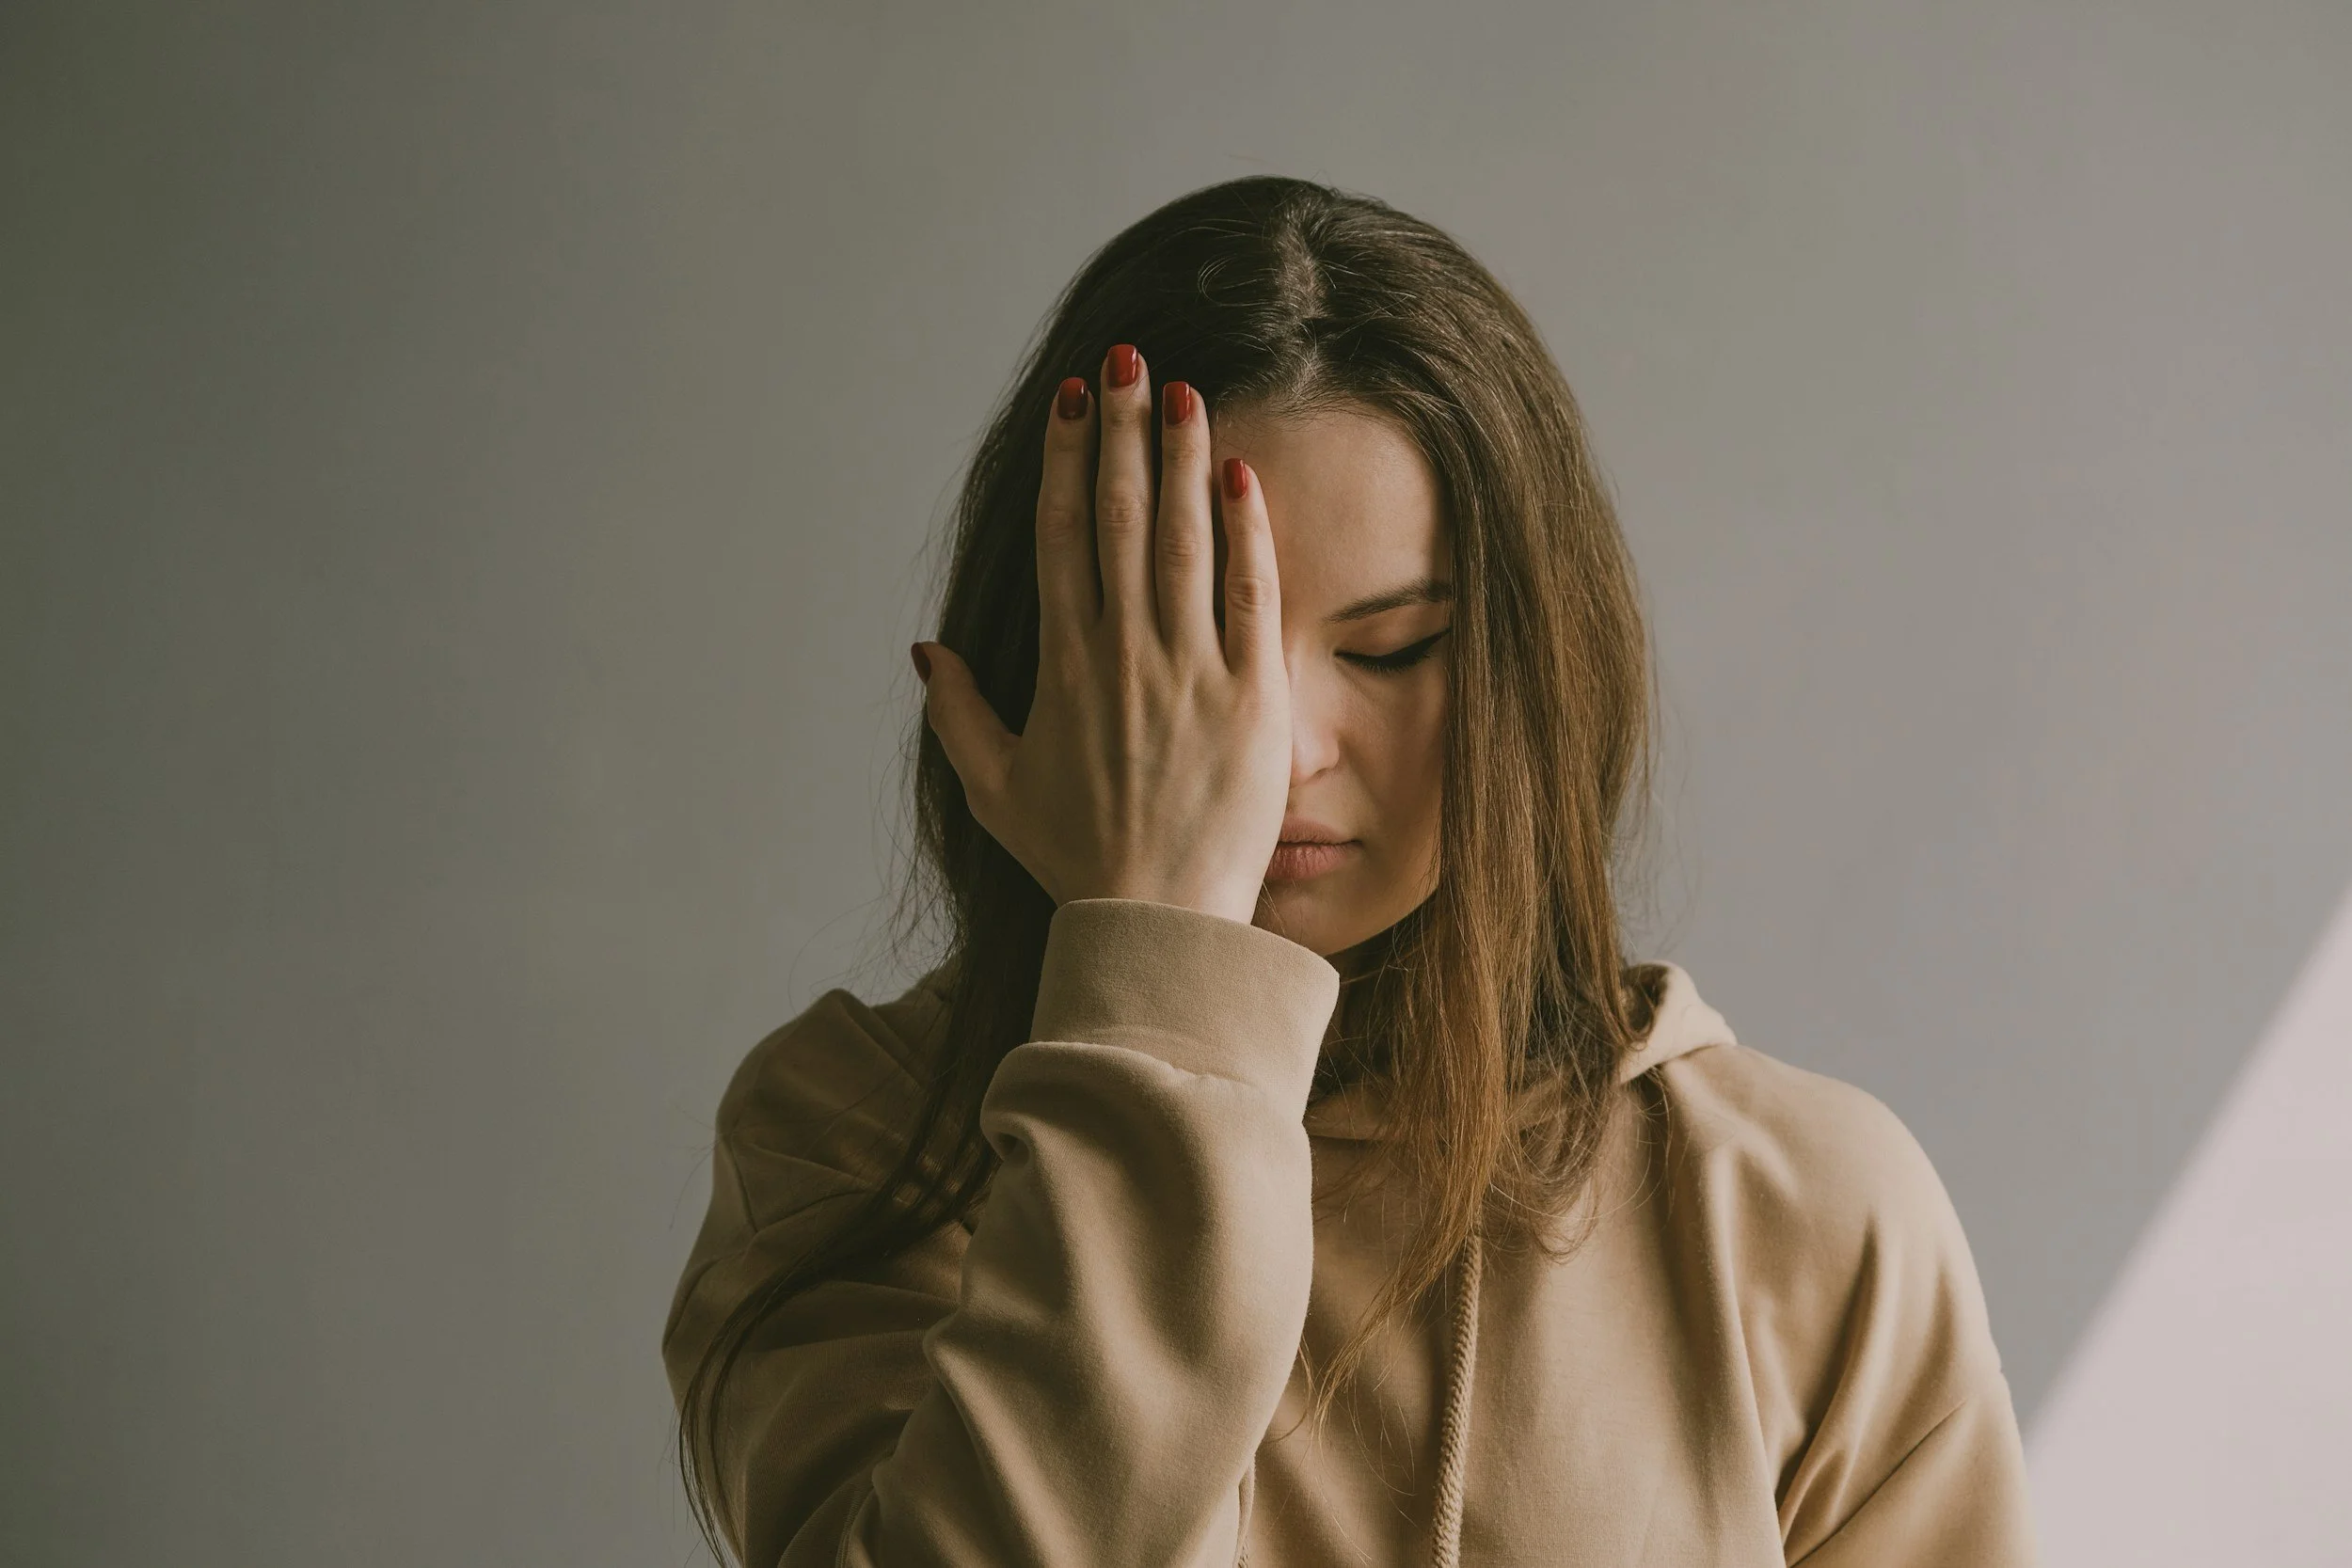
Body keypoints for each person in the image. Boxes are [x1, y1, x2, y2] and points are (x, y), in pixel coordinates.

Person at [660, 175, 2041, 1568]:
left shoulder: (1796, 1212)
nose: (1281, 751)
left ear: (1532, 671)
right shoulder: (850, 1145)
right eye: (1190, 644)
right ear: (1045, 647)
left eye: (1389, 651)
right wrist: (1160, 975)